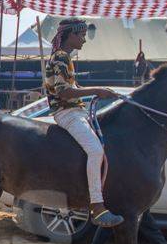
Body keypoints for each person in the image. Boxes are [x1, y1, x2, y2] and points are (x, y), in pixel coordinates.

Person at [45, 17, 123, 228]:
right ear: (70, 35)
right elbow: (64, 93)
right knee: (96, 151)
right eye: (81, 35)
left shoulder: (64, 58)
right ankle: (97, 206)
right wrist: (97, 90)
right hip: (67, 113)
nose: (84, 40)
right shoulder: (60, 57)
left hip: (75, 112)